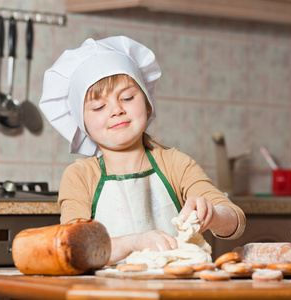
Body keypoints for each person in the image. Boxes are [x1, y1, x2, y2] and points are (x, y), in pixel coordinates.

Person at [39, 36, 246, 265]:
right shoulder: (80, 177)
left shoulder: (176, 164)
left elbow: (235, 222)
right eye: (99, 106)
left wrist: (213, 215)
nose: (117, 110)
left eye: (127, 97)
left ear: (147, 104)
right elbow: (75, 246)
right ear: (82, 124)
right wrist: (133, 243)